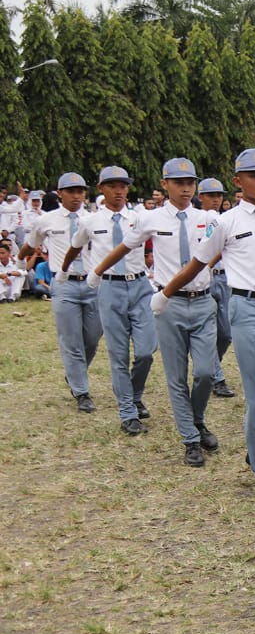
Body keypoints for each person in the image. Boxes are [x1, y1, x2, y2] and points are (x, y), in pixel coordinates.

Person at [155, 148, 255, 499]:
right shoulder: (224, 223)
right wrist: (166, 293)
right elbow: (198, 264)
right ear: (238, 181)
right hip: (247, 308)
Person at [98, 158, 220, 466]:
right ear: (165, 184)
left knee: (205, 372)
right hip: (170, 302)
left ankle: (197, 419)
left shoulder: (207, 218)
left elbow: (222, 248)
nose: (185, 189)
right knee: (176, 377)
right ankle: (190, 438)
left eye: (190, 183)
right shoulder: (149, 218)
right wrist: (98, 271)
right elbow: (125, 246)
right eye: (179, 183)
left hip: (203, 301)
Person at [64, 167, 156, 435]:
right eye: (112, 186)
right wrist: (64, 271)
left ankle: (134, 394)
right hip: (109, 287)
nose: (118, 191)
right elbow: (75, 246)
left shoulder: (140, 218)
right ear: (101, 189)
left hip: (140, 285)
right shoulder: (89, 221)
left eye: (123, 186)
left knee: (146, 351)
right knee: (118, 353)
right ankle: (128, 412)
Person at [197, 178, 236, 398]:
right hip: (203, 280)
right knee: (208, 331)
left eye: (219, 195)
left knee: (226, 333)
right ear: (201, 197)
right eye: (211, 195)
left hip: (224, 278)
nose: (216, 199)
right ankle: (218, 379)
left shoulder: (225, 220)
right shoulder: (195, 220)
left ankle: (211, 366)